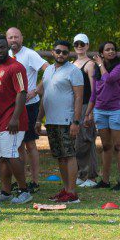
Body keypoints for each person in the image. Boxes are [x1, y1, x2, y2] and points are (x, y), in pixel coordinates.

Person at [0, 34, 33, 204]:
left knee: (11, 155)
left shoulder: (16, 67)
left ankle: (24, 190)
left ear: (7, 48)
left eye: (2, 47)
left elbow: (22, 93)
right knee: (1, 157)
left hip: (12, 120)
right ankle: (5, 192)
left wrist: (15, 118)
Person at [35, 40, 83, 204]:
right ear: (53, 52)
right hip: (51, 120)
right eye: (58, 51)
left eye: (64, 52)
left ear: (68, 54)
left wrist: (76, 121)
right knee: (60, 156)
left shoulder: (74, 71)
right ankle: (65, 189)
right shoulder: (48, 70)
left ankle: (72, 192)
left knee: (69, 155)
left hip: (66, 120)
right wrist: (39, 119)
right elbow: (45, 96)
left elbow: (79, 97)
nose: (61, 54)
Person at [7, 27, 48, 192]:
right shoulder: (5, 55)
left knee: (30, 144)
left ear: (22, 38)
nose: (13, 40)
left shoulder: (30, 54)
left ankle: (35, 181)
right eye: (10, 37)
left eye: (16, 36)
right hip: (12, 105)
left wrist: (36, 90)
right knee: (17, 144)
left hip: (29, 105)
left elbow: (49, 70)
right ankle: (21, 180)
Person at [85, 41, 120, 190]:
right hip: (100, 111)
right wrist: (88, 113)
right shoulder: (98, 71)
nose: (111, 51)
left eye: (113, 49)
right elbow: (94, 94)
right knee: (106, 145)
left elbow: (108, 79)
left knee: (118, 146)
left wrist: (99, 64)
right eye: (107, 50)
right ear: (102, 53)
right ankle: (105, 180)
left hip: (117, 110)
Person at [72, 33, 99, 187]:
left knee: (87, 140)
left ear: (88, 45)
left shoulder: (90, 65)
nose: (80, 47)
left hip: (85, 106)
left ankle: (91, 176)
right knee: (77, 141)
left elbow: (94, 91)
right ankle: (81, 174)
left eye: (83, 43)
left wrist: (90, 111)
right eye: (77, 44)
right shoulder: (72, 64)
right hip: (73, 107)